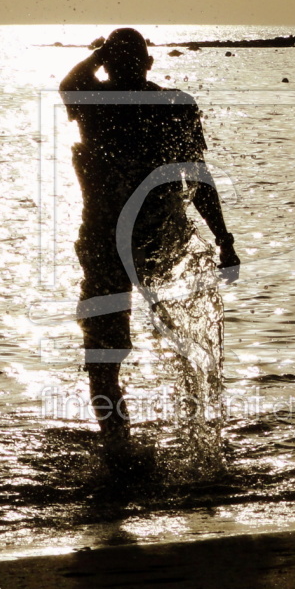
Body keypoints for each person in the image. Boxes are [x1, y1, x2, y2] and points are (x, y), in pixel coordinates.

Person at [59, 28, 239, 467]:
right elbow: (196, 179)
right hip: (162, 239)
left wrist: (97, 54)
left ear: (108, 64)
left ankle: (118, 447)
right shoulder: (174, 106)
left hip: (108, 244)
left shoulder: (94, 104)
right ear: (149, 64)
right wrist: (223, 238)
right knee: (186, 344)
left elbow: (70, 83)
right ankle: (202, 447)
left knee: (104, 356)